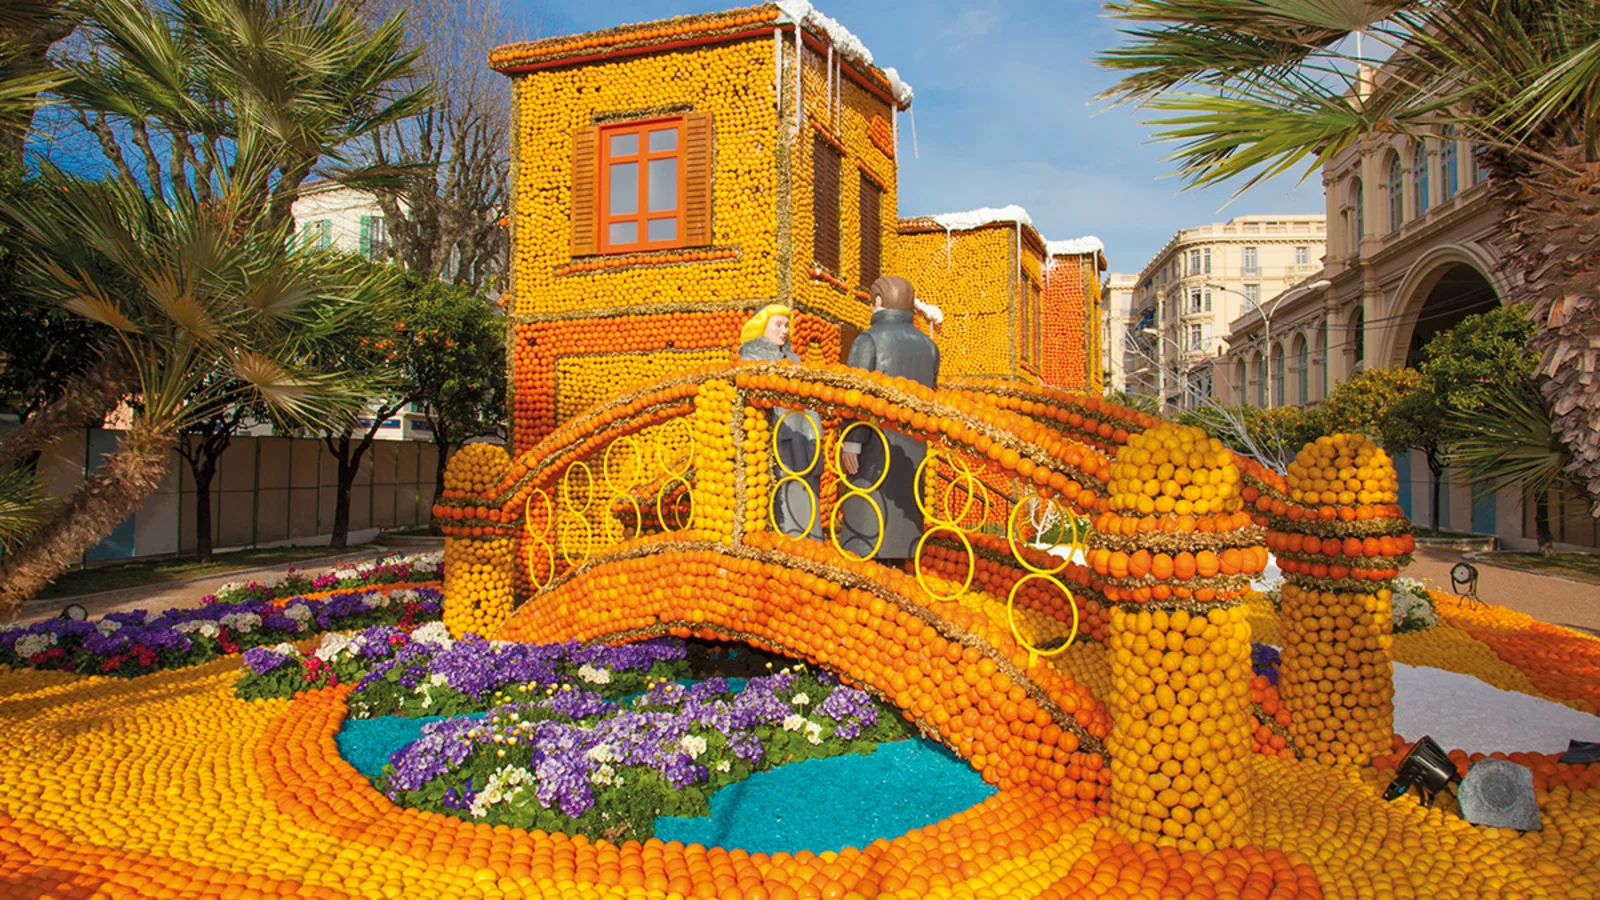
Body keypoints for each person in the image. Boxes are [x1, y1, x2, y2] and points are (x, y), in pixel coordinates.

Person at [839, 276, 940, 563]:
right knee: (903, 518)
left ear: (879, 301)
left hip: (874, 448)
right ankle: (901, 559)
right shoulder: (929, 347)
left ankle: (865, 564)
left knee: (869, 520)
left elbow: (857, 395)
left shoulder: (869, 340)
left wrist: (852, 441)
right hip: (913, 450)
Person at [738, 305, 823, 539]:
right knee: (782, 500)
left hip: (803, 437)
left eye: (786, 325)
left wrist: (816, 434)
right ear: (762, 326)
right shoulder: (750, 360)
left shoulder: (793, 359)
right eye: (778, 324)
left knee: (805, 496)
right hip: (772, 441)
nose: (784, 330)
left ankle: (809, 546)